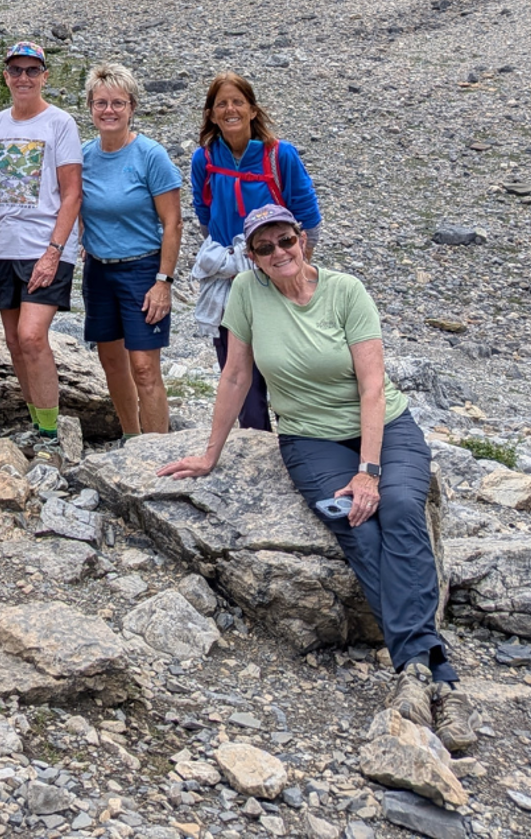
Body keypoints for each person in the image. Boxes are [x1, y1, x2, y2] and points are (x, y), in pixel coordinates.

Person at [158, 204, 474, 753]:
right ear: (252, 257)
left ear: (302, 239)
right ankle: (434, 674)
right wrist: (210, 454)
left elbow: (372, 385)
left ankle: (420, 673)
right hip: (309, 437)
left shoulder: (346, 290)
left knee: (400, 508)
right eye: (264, 247)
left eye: (286, 240)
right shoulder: (246, 293)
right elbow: (236, 375)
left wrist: (368, 471)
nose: (278, 252)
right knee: (359, 528)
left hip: (385, 427)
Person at [188, 72, 321, 430]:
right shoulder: (205, 160)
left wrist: (297, 274)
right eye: (221, 104)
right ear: (211, 114)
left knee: (286, 369)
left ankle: (301, 439)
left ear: (252, 110)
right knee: (238, 374)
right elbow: (204, 217)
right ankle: (255, 442)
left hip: (275, 274)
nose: (230, 109)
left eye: (238, 102)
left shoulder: (280, 156)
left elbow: (308, 220)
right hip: (228, 281)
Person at [0, 41, 82, 466]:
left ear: (44, 76)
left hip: (45, 244)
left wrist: (54, 251)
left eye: (32, 70)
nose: (24, 78)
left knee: (32, 336)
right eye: (16, 70)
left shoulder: (60, 123)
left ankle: (51, 435)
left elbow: (72, 192)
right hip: (3, 245)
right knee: (14, 342)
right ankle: (37, 423)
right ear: (6, 76)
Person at [77, 61, 181, 438]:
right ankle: (132, 439)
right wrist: (84, 236)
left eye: (118, 103)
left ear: (132, 107)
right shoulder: (84, 156)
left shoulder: (150, 156)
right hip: (99, 271)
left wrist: (163, 282)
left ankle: (156, 450)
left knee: (144, 367)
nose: (109, 110)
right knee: (111, 362)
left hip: (142, 269)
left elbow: (173, 222)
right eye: (101, 103)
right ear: (90, 107)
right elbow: (75, 203)